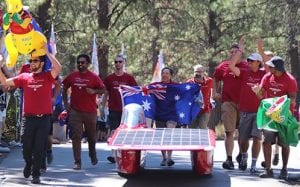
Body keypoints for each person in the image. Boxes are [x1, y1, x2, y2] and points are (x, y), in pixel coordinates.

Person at [0, 45, 61, 184]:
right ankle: (28, 162)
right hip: (28, 118)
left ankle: (36, 174)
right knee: (26, 146)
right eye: (31, 61)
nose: (32, 63)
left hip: (44, 118)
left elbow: (58, 68)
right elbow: (4, 82)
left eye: (35, 61)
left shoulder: (47, 76)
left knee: (39, 147)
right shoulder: (24, 77)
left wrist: (47, 52)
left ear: (41, 63)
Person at [253, 56, 297, 179]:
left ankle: (284, 169)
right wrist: (257, 91)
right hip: (270, 115)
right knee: (266, 141)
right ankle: (268, 169)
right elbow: (260, 96)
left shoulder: (290, 79)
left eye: (271, 66)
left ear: (277, 68)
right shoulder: (267, 77)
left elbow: (293, 97)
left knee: (284, 143)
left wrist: (280, 104)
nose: (269, 68)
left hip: (284, 116)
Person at [62, 54, 106, 170]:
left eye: (83, 62)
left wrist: (94, 91)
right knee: (76, 136)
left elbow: (104, 90)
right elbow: (64, 88)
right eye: (79, 62)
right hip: (75, 111)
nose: (80, 64)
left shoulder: (94, 77)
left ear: (88, 64)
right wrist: (66, 104)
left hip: (90, 112)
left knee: (91, 137)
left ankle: (92, 154)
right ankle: (77, 162)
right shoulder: (72, 76)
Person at [229, 38, 266, 174]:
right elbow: (231, 66)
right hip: (245, 110)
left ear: (258, 63)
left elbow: (269, 66)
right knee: (243, 139)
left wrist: (261, 50)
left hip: (259, 111)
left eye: (252, 61)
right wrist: (240, 50)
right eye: (248, 60)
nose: (249, 62)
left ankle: (253, 165)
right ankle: (244, 156)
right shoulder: (244, 72)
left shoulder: (264, 74)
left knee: (257, 138)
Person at [212, 43, 248, 170]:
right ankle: (229, 159)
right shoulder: (223, 66)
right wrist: (215, 92)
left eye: (235, 52)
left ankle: (242, 154)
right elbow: (215, 78)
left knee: (243, 133)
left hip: (244, 104)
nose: (232, 54)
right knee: (229, 131)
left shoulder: (247, 66)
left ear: (240, 53)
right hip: (228, 102)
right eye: (231, 52)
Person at [101, 54, 138, 163]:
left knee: (125, 131)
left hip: (126, 110)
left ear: (123, 63)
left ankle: (125, 152)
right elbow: (105, 93)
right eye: (116, 62)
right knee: (114, 130)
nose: (118, 63)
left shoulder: (129, 78)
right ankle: (113, 154)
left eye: (120, 62)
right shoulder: (109, 78)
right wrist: (102, 107)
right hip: (113, 108)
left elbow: (135, 92)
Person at [152, 67, 177, 166]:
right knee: (161, 137)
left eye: (167, 73)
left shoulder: (176, 86)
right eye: (163, 73)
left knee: (169, 135)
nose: (165, 75)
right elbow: (145, 89)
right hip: (160, 114)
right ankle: (164, 158)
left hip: (172, 114)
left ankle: (170, 158)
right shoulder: (156, 86)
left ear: (171, 75)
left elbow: (186, 91)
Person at [187, 64, 213, 129]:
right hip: (192, 111)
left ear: (203, 73)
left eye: (200, 72)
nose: (198, 73)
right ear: (193, 72)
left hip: (205, 110)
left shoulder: (209, 81)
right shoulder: (189, 82)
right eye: (196, 72)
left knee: (202, 129)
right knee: (191, 130)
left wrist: (212, 100)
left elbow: (213, 90)